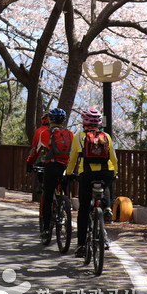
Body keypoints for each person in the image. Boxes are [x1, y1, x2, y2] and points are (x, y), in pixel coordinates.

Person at [65, 107, 118, 258]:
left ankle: (81, 245)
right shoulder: (106, 136)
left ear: (84, 121)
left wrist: (69, 174)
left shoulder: (79, 136)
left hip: (86, 174)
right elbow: (113, 158)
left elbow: (73, 158)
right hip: (105, 171)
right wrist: (114, 173)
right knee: (105, 184)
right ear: (99, 123)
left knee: (83, 210)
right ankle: (107, 208)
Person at [26, 108, 73, 241]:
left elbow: (35, 151)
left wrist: (29, 162)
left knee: (47, 196)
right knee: (64, 192)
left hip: (51, 166)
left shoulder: (45, 133)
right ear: (63, 121)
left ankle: (46, 229)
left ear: (50, 120)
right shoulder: (70, 133)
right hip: (66, 167)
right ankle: (65, 209)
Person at [26, 112, 49, 192]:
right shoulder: (61, 132)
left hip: (43, 160)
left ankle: (40, 184)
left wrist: (29, 162)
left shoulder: (39, 131)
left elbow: (35, 148)